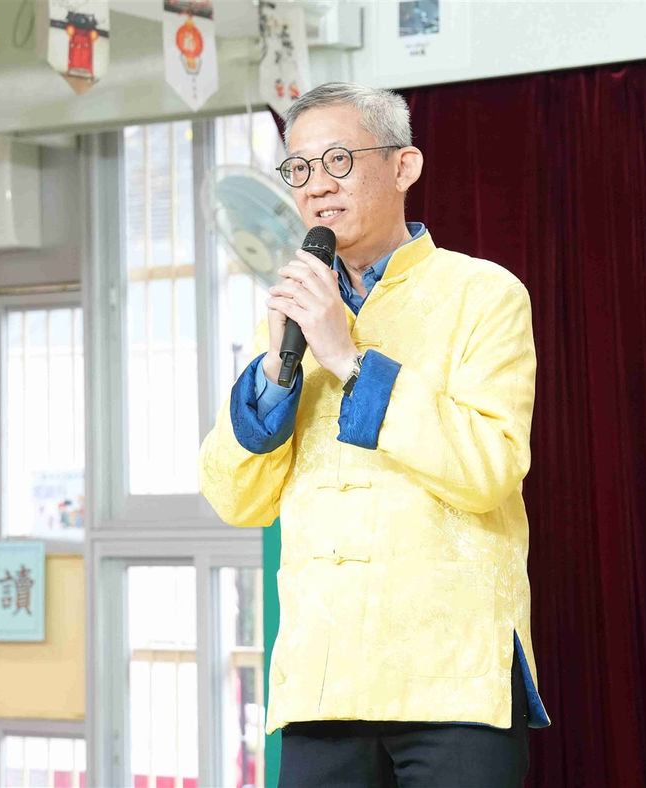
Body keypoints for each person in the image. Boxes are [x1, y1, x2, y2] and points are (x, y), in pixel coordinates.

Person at [198, 82, 550, 787]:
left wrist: (351, 360)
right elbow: (236, 500)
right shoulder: (295, 315)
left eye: (338, 160)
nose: (316, 186)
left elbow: (489, 470)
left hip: (454, 677)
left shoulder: (484, 294)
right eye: (299, 168)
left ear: (403, 166)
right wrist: (275, 373)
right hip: (322, 681)